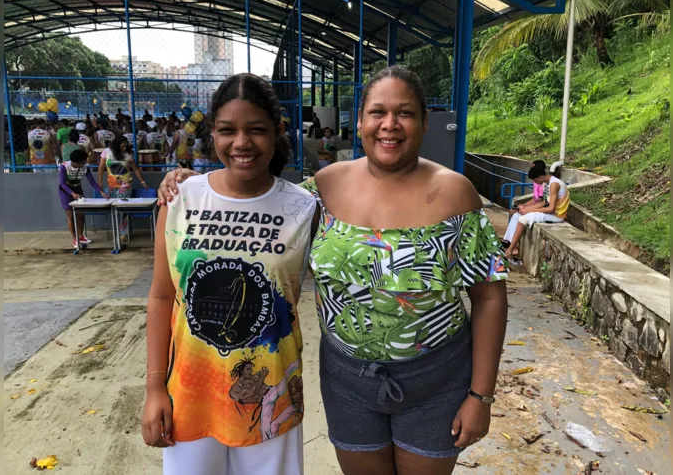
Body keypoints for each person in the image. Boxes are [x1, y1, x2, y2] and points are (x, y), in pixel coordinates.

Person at [158, 65, 508, 475]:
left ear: (424, 122)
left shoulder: (455, 193)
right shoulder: (321, 190)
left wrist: (480, 395)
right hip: (348, 381)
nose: (389, 125)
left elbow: (489, 297)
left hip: (435, 379)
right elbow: (256, 202)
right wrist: (190, 184)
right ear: (359, 121)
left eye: (405, 113)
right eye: (378, 112)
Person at [142, 73, 315, 475]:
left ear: (277, 133)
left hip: (271, 396)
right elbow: (161, 296)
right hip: (190, 393)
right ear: (212, 135)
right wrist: (154, 388)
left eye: (256, 129)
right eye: (227, 130)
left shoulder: (304, 206)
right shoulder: (181, 197)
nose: (242, 142)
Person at [503, 162, 570, 261]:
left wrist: (530, 210)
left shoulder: (554, 184)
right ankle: (509, 244)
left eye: (535, 180)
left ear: (541, 177)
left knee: (523, 219)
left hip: (557, 216)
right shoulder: (548, 183)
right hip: (550, 212)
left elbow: (550, 209)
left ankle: (510, 250)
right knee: (517, 215)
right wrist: (526, 208)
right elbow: (544, 202)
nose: (535, 182)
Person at [98, 135, 148, 244]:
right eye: (122, 146)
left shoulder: (128, 154)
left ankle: (124, 234)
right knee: (115, 210)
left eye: (126, 146)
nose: (124, 148)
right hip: (111, 186)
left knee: (123, 210)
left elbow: (136, 169)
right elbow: (101, 168)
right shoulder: (107, 152)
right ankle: (119, 232)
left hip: (125, 186)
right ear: (116, 146)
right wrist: (100, 184)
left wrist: (142, 182)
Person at [59, 149, 108, 248]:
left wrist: (100, 191)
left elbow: (92, 182)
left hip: (78, 190)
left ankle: (81, 236)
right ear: (77, 162)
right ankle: (75, 238)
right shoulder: (64, 167)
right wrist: (72, 193)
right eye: (83, 161)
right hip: (66, 192)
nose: (84, 163)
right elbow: (62, 184)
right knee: (70, 216)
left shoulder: (85, 167)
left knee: (80, 215)